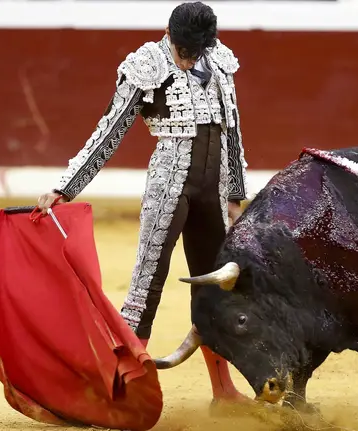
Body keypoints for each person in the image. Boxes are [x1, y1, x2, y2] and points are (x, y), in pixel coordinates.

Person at [36, 1, 249, 408]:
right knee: (146, 284)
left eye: (194, 54)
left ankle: (223, 391)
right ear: (168, 34)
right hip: (169, 185)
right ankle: (124, 390)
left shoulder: (220, 61)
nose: (186, 62)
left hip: (214, 188)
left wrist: (236, 195)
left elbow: (234, 129)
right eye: (182, 52)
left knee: (217, 288)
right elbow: (109, 130)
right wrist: (66, 187)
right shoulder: (146, 64)